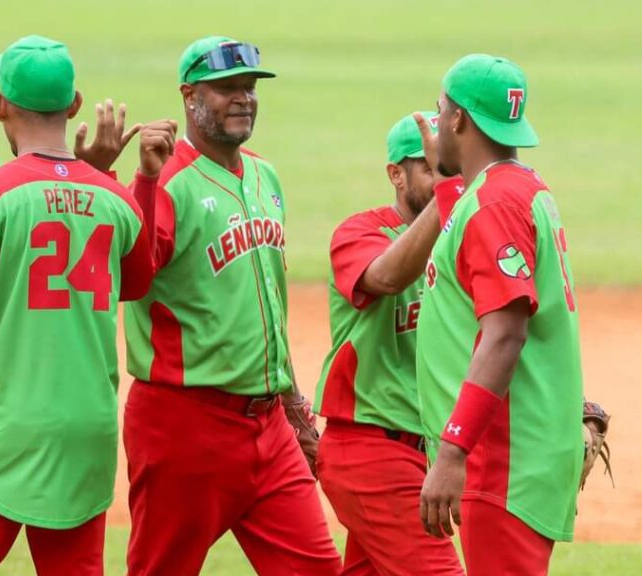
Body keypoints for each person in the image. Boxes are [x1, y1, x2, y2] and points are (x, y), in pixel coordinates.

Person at [0, 35, 175, 576]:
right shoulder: (115, 198)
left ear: (3, 105)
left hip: (6, 429)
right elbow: (136, 281)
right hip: (89, 429)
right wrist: (135, 178)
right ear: (74, 105)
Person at [122, 36, 341, 575]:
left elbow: (266, 301)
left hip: (268, 424)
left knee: (316, 567)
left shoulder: (266, 177)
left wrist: (292, 404)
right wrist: (144, 183)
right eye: (226, 89)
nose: (243, 98)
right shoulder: (167, 181)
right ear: (189, 95)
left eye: (248, 87)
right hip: (184, 426)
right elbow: (133, 274)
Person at [416, 54, 584, 576]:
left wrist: (453, 450)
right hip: (515, 447)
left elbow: (505, 334)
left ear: (460, 120)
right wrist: (446, 178)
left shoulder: (494, 205)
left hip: (501, 458)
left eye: (442, 110)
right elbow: (468, 239)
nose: (437, 120)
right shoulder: (519, 187)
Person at [313, 112, 464, 576]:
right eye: (429, 164)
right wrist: (447, 195)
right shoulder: (359, 232)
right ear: (395, 174)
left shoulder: (462, 237)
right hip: (370, 451)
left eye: (449, 160)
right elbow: (387, 275)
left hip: (422, 453)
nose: (443, 170)